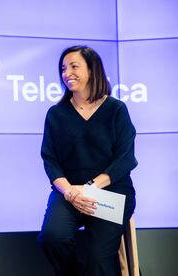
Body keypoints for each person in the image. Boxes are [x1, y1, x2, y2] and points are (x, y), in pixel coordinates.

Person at [38, 45, 137, 276]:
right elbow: (50, 159)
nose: (67, 73)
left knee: (97, 256)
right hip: (70, 192)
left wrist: (90, 188)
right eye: (63, 68)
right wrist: (71, 192)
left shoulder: (115, 109)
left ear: (92, 70)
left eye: (74, 66)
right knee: (52, 238)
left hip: (110, 192)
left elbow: (126, 159)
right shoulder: (56, 113)